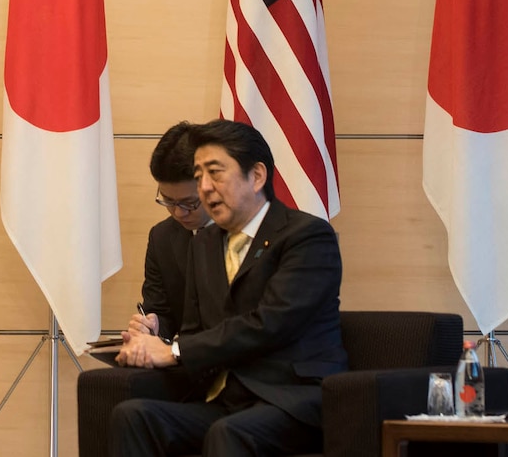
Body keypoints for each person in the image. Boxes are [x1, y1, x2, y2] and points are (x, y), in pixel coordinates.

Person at [110, 119, 347, 457]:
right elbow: (193, 329)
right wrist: (151, 347)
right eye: (199, 176)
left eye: (215, 173)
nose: (205, 187)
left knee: (229, 433)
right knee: (134, 416)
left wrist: (175, 352)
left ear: (257, 176)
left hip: (291, 397)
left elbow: (270, 324)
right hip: (226, 399)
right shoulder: (204, 243)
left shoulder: (306, 236)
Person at [129, 121, 213, 341]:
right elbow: (162, 312)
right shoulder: (162, 237)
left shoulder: (250, 234)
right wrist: (153, 328)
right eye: (168, 200)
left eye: (189, 203)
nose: (178, 213)